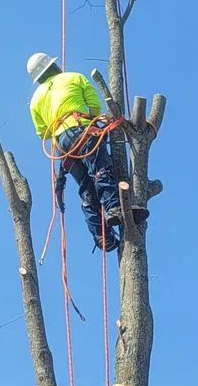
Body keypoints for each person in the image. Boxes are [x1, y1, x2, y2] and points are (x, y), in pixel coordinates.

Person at [27, 52, 148, 252]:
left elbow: (42, 133)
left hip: (62, 144)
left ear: (38, 78)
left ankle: (101, 235)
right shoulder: (74, 77)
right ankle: (114, 208)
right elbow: (94, 107)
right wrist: (92, 121)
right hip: (80, 130)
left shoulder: (35, 100)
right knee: (100, 168)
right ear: (54, 66)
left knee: (86, 186)